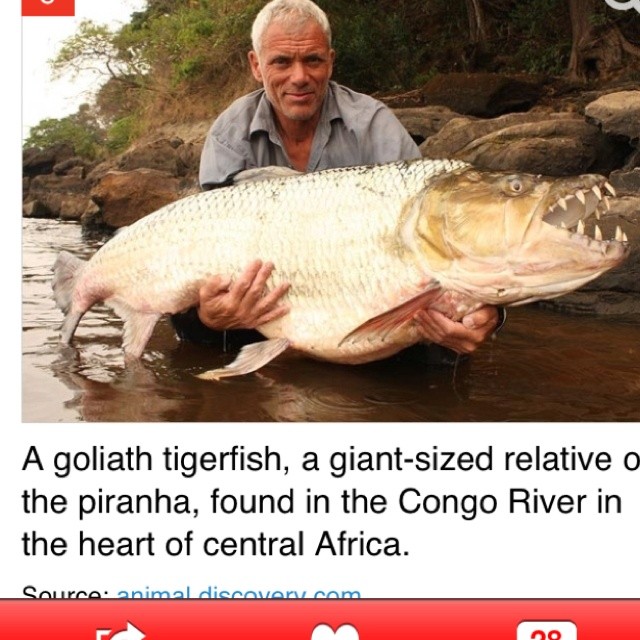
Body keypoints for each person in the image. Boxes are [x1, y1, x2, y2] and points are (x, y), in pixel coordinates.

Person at [172, 0, 502, 358]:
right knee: (192, 329)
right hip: (267, 303)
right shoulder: (228, 134)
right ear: (256, 65)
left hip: (365, 295)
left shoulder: (374, 124)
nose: (299, 76)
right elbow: (201, 247)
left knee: (441, 345)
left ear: (330, 61)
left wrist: (490, 312)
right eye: (281, 61)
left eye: (312, 60)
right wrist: (209, 315)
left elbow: (441, 235)